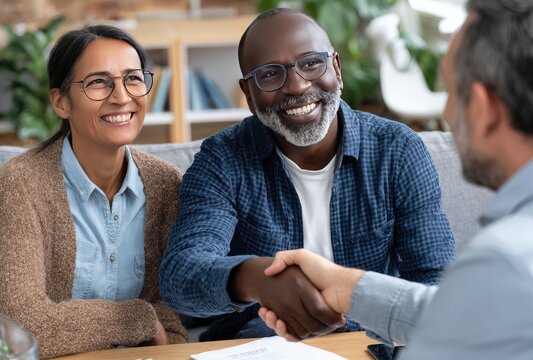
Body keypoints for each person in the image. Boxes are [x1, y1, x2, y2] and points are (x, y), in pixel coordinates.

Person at [160, 7, 455, 341]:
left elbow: (437, 278)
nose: (298, 86)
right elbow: (180, 277)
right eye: (270, 74)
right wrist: (256, 277)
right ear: (249, 95)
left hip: (371, 343)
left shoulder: (398, 150)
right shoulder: (223, 159)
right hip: (265, 342)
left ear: (337, 68)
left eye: (312, 62)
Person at [259, 1, 533, 358]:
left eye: (449, 91)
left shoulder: (504, 260)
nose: (447, 113)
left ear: (482, 107)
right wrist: (351, 289)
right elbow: (463, 318)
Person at [0, 25, 187, 359]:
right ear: (60, 102)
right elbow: (21, 326)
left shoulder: (167, 184)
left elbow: (172, 324)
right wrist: (139, 319)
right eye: (99, 82)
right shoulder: (20, 184)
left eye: (133, 78)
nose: (122, 96)